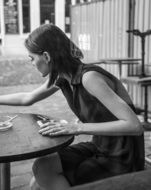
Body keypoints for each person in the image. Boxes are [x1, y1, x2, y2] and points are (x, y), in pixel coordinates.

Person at [0, 24, 144, 190]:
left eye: (32, 58)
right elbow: (28, 98)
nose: (31, 63)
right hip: (100, 146)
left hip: (122, 156)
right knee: (38, 178)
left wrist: (75, 127)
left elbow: (134, 126)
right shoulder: (62, 77)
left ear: (46, 56)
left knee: (43, 174)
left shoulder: (89, 78)